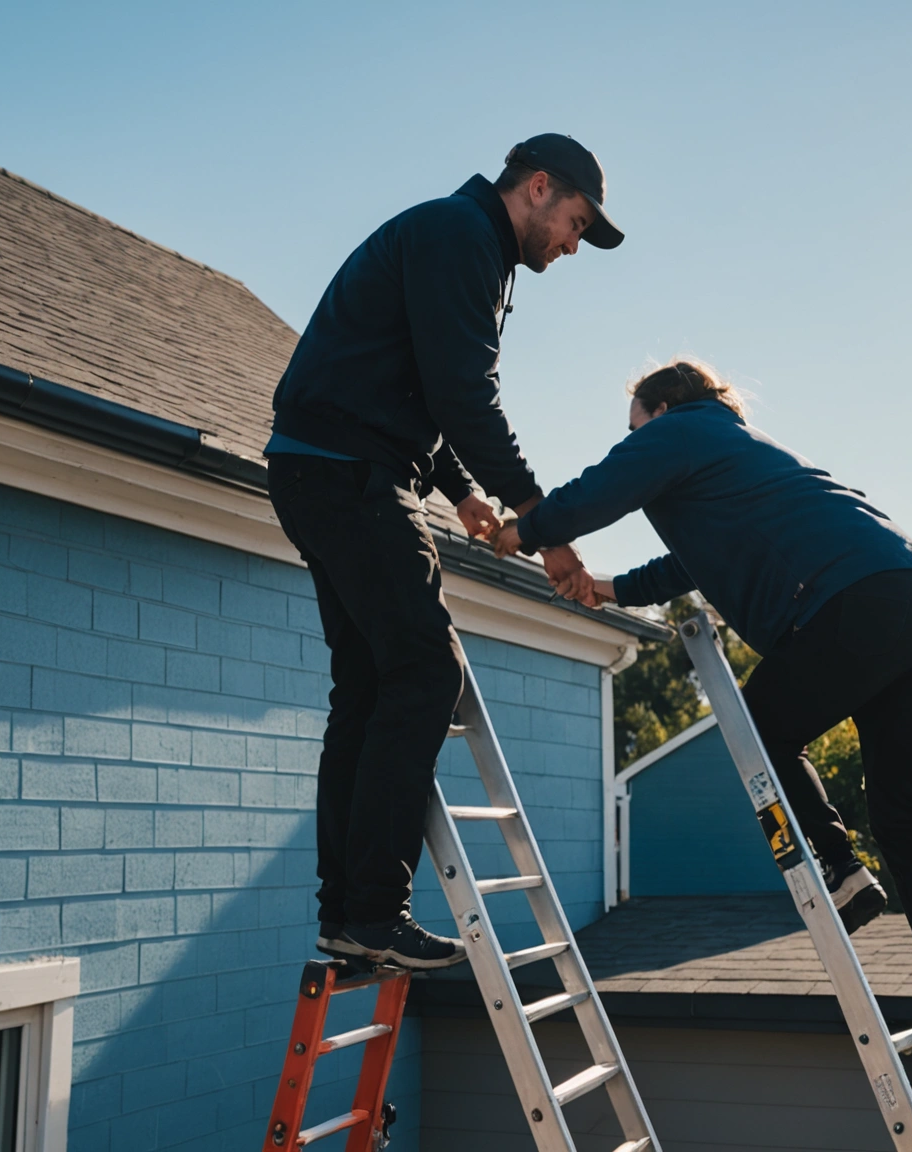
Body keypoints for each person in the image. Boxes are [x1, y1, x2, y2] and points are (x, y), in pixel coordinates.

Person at [492, 360, 912, 1077]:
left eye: (634, 427)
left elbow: (599, 490)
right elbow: (690, 565)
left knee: (760, 731)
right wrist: (607, 588)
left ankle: (841, 868)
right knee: (908, 819)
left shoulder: (682, 430)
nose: (631, 439)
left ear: (660, 410)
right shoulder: (739, 456)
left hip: (856, 601)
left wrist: (528, 530)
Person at [265, 135, 623, 969]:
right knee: (428, 672)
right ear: (538, 189)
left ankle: (346, 915)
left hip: (326, 466)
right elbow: (464, 394)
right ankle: (375, 911)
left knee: (366, 686)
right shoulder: (462, 238)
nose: (572, 245)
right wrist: (541, 521)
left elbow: (416, 384)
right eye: (574, 224)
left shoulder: (461, 242)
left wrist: (459, 490)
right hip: (350, 474)